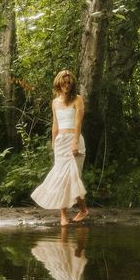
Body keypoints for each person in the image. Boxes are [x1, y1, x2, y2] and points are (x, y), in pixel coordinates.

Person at [31, 70, 90, 226]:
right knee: (61, 179)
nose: (67, 85)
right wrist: (53, 142)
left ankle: (83, 210)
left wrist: (75, 142)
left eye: (69, 82)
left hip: (74, 141)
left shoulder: (78, 99)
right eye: (64, 82)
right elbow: (55, 125)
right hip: (60, 143)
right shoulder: (55, 102)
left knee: (72, 178)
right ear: (59, 83)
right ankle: (63, 216)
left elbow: (78, 124)